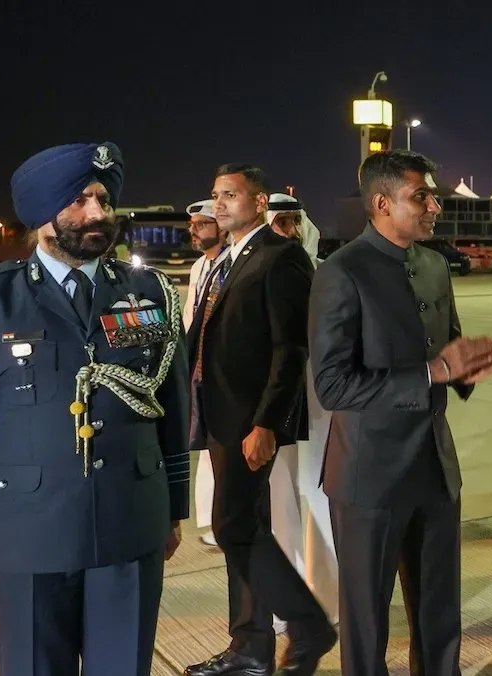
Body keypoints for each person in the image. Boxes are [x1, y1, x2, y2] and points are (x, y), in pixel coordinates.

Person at [0, 142, 190, 674]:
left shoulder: (150, 294)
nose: (96, 213)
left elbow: (173, 406)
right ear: (40, 214)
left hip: (130, 520)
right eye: (77, 200)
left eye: (102, 198)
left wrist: (172, 507)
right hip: (28, 531)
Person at [309, 149, 492, 676]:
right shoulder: (341, 272)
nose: (434, 205)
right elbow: (332, 385)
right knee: (367, 623)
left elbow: (448, 344)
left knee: (440, 615)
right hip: (369, 478)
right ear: (380, 203)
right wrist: (431, 373)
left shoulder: (435, 265)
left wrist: (467, 367)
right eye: (421, 195)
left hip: (434, 470)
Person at [184, 164, 335, 676]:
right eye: (214, 195)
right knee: (243, 527)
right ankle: (250, 648)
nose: (219, 204)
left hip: (249, 420)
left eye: (230, 195)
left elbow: (289, 347)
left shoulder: (280, 256)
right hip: (220, 413)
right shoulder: (226, 259)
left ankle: (307, 624)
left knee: (232, 525)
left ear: (259, 201)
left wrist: (267, 423)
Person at [265, 191, 339, 624]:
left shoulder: (327, 274)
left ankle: (327, 602)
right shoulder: (257, 270)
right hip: (274, 407)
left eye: (295, 223)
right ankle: (284, 605)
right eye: (280, 224)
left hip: (318, 404)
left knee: (320, 494)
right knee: (278, 500)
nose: (289, 233)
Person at [183, 198, 228, 547]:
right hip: (199, 372)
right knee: (206, 453)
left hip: (224, 377)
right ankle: (214, 522)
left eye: (202, 224)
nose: (194, 231)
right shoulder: (200, 266)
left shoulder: (233, 265)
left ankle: (224, 522)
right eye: (193, 225)